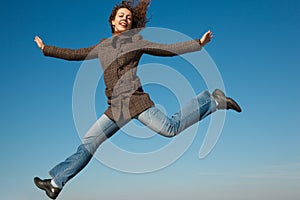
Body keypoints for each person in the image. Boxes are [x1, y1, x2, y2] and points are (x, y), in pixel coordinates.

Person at [33, 0, 242, 199]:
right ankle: (55, 183)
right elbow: (75, 53)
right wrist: (47, 49)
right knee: (88, 144)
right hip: (115, 108)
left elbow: (166, 49)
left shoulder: (136, 42)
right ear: (113, 21)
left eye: (129, 17)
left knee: (170, 128)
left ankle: (213, 101)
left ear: (132, 24)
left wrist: (197, 43)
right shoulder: (102, 46)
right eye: (121, 16)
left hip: (135, 101)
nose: (125, 19)